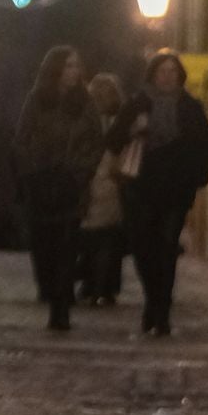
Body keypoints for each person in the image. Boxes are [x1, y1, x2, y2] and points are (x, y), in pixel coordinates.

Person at [109, 50, 208, 336]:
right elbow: (112, 140)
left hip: (175, 191)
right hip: (141, 188)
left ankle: (162, 310)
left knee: (167, 248)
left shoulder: (190, 107)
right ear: (153, 75)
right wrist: (133, 130)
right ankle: (152, 301)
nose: (168, 77)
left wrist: (195, 173)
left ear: (180, 76)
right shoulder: (137, 104)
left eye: (173, 72)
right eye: (162, 71)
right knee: (145, 250)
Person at [15, 46, 104, 330]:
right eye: (68, 66)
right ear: (55, 70)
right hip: (42, 183)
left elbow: (95, 141)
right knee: (46, 245)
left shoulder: (86, 102)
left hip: (72, 184)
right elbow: (22, 139)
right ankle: (52, 292)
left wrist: (81, 171)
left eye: (77, 66)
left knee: (67, 245)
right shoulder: (38, 99)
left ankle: (61, 307)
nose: (73, 72)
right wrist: (34, 170)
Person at [78, 70, 128, 307]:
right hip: (113, 180)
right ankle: (105, 286)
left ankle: (94, 284)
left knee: (94, 238)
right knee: (109, 238)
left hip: (93, 180)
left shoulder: (86, 119)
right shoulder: (121, 120)